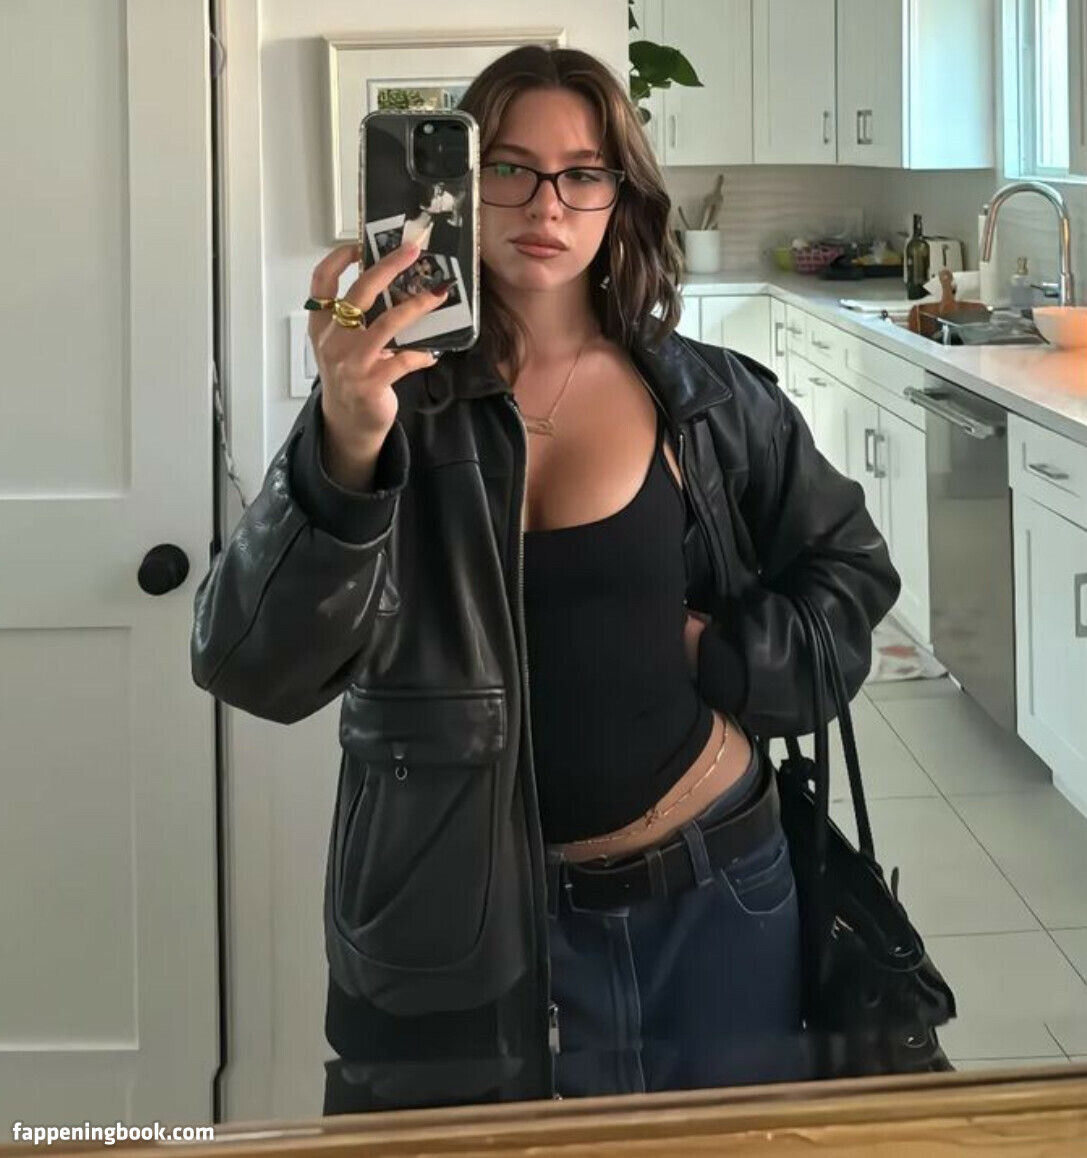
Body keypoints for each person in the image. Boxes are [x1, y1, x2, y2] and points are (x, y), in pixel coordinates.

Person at [190, 45, 901, 1114]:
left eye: (582, 173)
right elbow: (250, 665)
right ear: (456, 185)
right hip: (453, 929)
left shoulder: (707, 400)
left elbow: (849, 571)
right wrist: (345, 439)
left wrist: (719, 652)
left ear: (621, 196)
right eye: (510, 168)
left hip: (718, 893)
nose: (546, 204)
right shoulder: (387, 403)